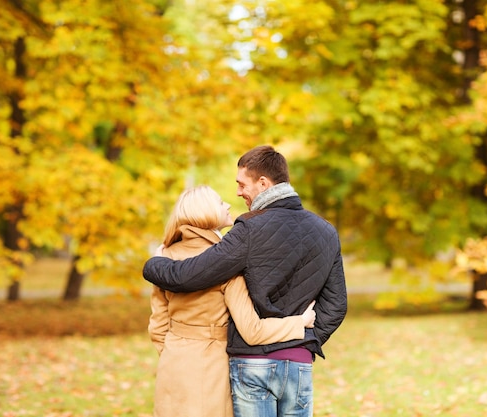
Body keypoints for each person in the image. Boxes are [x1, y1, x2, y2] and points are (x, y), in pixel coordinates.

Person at [143, 145, 348, 417]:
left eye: (242, 184)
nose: (238, 193)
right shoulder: (326, 231)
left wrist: (154, 263)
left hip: (251, 362)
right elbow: (337, 304)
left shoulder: (248, 228)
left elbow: (189, 275)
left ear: (263, 183)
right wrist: (304, 341)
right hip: (299, 362)